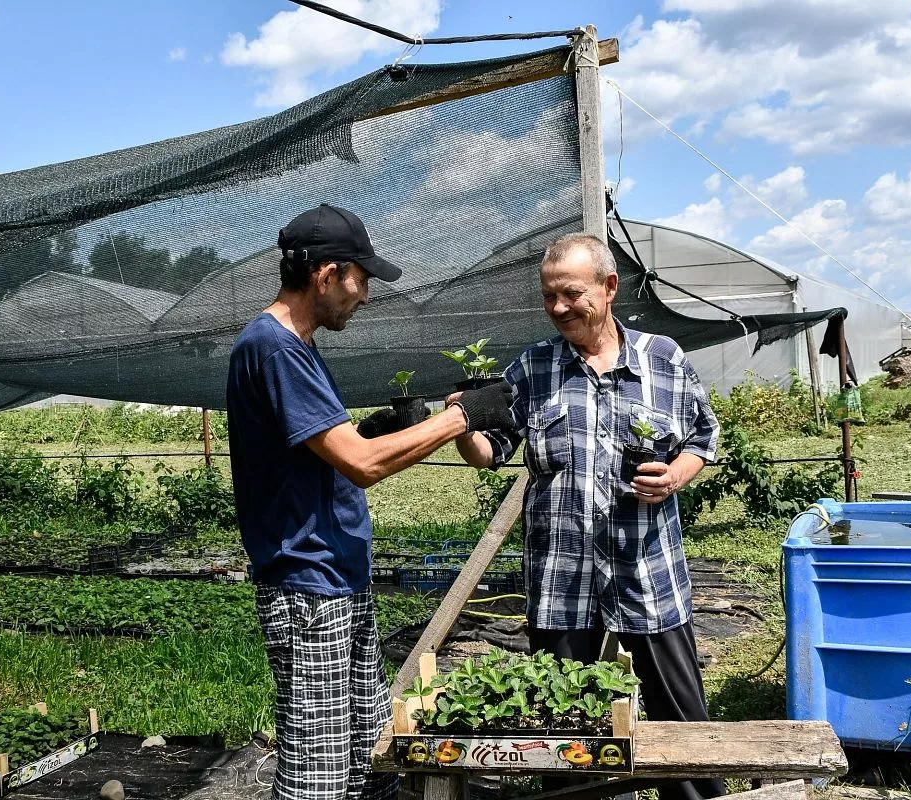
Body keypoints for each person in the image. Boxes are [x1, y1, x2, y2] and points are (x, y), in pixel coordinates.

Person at [226, 203, 516, 800]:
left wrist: (379, 426)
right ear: (327, 273)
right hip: (308, 588)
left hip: (337, 582)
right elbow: (361, 465)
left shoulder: (292, 347)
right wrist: (460, 417)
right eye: (361, 280)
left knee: (366, 761)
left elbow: (333, 451)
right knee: (319, 780)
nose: (365, 296)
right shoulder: (276, 348)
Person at [454, 232, 723, 800]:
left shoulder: (664, 359)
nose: (557, 308)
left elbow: (704, 435)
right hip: (562, 579)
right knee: (568, 727)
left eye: (570, 294)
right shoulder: (532, 369)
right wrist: (464, 424)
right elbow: (490, 452)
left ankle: (696, 794)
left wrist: (677, 473)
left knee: (683, 716)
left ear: (608, 287)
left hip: (646, 572)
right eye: (549, 296)